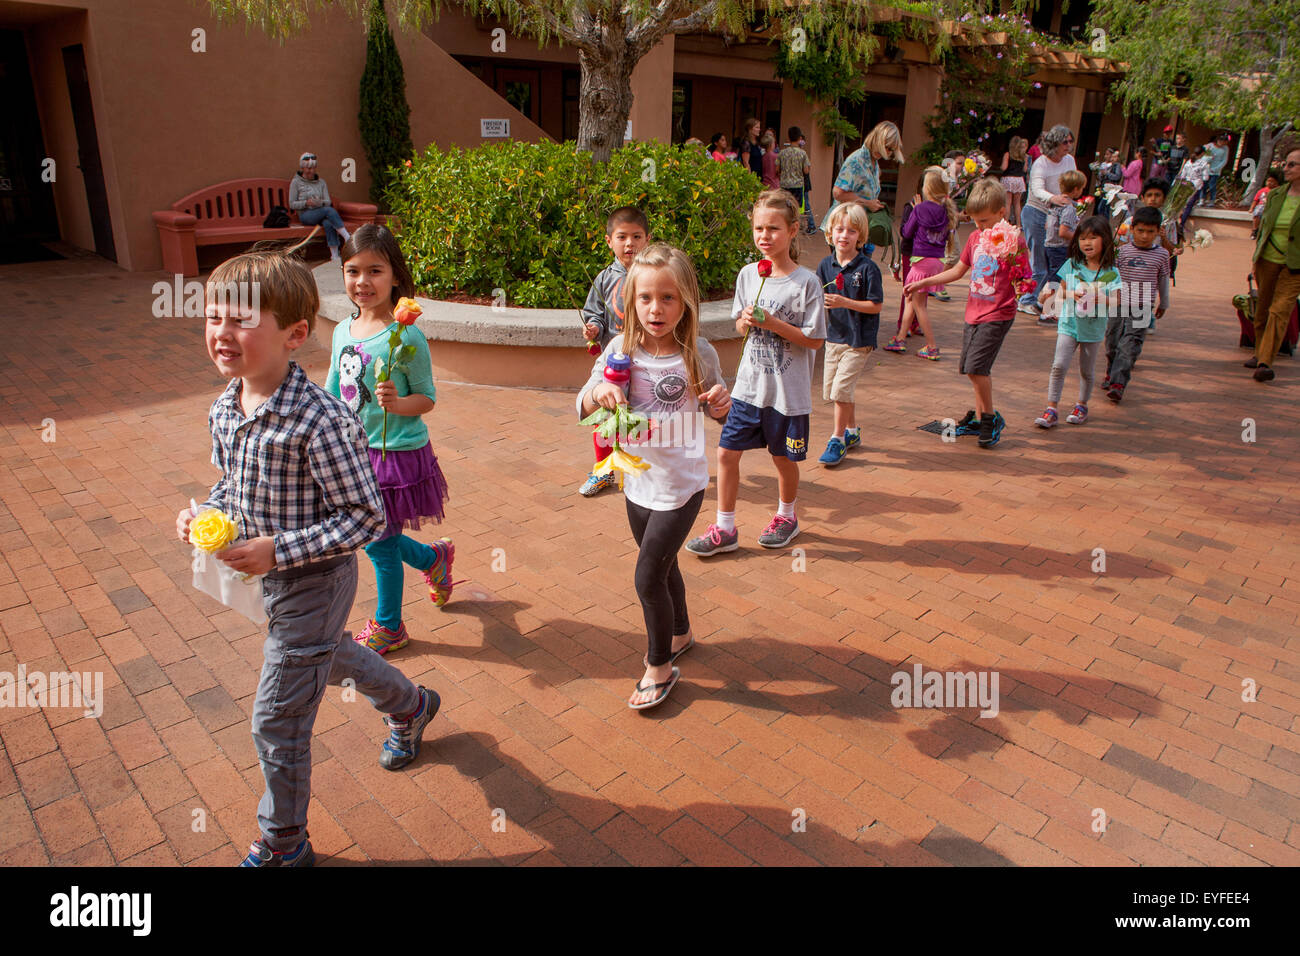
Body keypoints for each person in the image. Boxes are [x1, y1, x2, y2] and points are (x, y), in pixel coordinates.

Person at [178, 250, 438, 867]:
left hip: (316, 582)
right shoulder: (225, 405)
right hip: (271, 583)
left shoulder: (322, 421)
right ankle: (412, 704)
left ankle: (283, 843)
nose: (221, 332)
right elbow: (232, 485)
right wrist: (204, 515)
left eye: (241, 319)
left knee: (277, 720)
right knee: (334, 654)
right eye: (213, 316)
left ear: (295, 334)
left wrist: (278, 549)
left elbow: (367, 518)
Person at [576, 245, 731, 709]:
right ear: (628, 302)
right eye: (645, 298)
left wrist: (722, 405)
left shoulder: (697, 352)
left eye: (668, 297)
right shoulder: (618, 349)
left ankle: (659, 666)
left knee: (647, 578)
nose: (655, 308)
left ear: (685, 301)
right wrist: (599, 390)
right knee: (666, 567)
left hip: (682, 484)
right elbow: (581, 402)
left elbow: (720, 408)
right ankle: (680, 632)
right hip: (637, 481)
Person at [326, 224, 455, 655]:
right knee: (373, 536)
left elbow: (428, 398)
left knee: (378, 542)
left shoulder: (407, 337)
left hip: (395, 457)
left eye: (375, 271)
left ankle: (389, 626)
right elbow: (331, 392)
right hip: (353, 455)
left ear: (395, 275)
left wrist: (398, 404)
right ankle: (432, 559)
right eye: (353, 271)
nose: (362, 282)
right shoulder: (341, 331)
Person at [686, 189, 827, 556]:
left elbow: (814, 341)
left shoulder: (806, 283)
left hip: (787, 394)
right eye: (758, 228)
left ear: (793, 230)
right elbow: (739, 326)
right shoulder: (748, 274)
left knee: (782, 459)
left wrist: (775, 323)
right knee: (726, 454)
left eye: (774, 228)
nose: (765, 236)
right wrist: (745, 322)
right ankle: (725, 527)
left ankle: (787, 516)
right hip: (748, 389)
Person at [905, 178, 1034, 448]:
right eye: (975, 221)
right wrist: (924, 282)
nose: (979, 227)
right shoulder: (975, 238)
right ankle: (978, 416)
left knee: (977, 368)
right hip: (973, 312)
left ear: (1002, 213)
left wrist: (1024, 287)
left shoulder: (1013, 240)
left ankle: (990, 418)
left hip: (998, 313)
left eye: (985, 221)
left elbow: (1024, 276)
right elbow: (958, 270)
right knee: (971, 368)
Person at [579, 207, 650, 496]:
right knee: (606, 416)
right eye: (622, 237)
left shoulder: (651, 275)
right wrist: (593, 328)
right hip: (613, 363)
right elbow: (593, 312)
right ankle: (604, 470)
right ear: (609, 241)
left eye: (636, 236)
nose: (629, 243)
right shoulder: (604, 279)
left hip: (646, 360)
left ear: (647, 239)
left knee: (643, 414)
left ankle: (644, 467)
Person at [1033, 215, 1120, 429]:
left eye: (1093, 238)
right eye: (1082, 238)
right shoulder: (1072, 264)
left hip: (1093, 328)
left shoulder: (1111, 272)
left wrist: (1104, 298)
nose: (1086, 243)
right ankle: (1051, 408)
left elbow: (1120, 300)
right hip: (1069, 324)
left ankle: (1082, 405)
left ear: (1105, 240)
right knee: (1058, 366)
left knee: (1086, 371)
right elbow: (1061, 291)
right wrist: (1071, 295)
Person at [815, 203, 884, 466]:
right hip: (834, 337)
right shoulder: (825, 265)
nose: (844, 235)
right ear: (830, 232)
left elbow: (875, 305)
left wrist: (846, 302)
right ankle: (852, 432)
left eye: (851, 231)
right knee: (835, 391)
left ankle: (837, 439)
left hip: (859, 340)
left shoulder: (868, 269)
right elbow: (816, 296)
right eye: (839, 229)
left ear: (860, 236)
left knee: (840, 390)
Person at [886, 167, 955, 359]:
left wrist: (916, 210)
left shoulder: (920, 208)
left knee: (919, 305)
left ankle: (932, 346)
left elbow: (906, 232)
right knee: (911, 299)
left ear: (928, 189)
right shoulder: (946, 209)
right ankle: (900, 338)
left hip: (920, 261)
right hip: (937, 261)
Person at [1103, 205, 1170, 402]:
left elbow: (1164, 280)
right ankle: (1110, 371)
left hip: (1143, 306)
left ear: (1158, 232)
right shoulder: (1121, 252)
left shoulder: (1162, 255)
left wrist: (1164, 303)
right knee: (1112, 341)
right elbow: (1111, 277)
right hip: (1118, 303)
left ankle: (1118, 383)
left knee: (1130, 343)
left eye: (1150, 232)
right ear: (1132, 229)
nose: (1145, 236)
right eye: (1140, 230)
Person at [1246, 147, 1300, 382]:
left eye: (1292, 165)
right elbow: (1263, 229)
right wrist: (1256, 257)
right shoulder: (1276, 195)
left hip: (1295, 266)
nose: (1285, 169)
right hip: (1268, 259)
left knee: (1280, 311)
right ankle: (1259, 351)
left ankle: (1266, 362)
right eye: (1285, 164)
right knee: (1263, 309)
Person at [1019, 125, 1077, 316]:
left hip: (1056, 214)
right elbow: (1036, 188)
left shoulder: (1069, 160)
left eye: (1071, 141)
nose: (1068, 145)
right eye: (1065, 142)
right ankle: (1027, 299)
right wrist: (1054, 198)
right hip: (1037, 212)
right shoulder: (1041, 163)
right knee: (1039, 261)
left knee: (1053, 257)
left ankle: (1038, 299)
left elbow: (1072, 182)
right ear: (1054, 143)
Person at [822, 121, 905, 237]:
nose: (888, 152)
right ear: (878, 140)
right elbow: (838, 193)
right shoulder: (856, 161)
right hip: (844, 227)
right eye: (887, 147)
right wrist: (867, 203)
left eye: (891, 150)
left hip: (860, 227)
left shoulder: (874, 163)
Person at [1042, 169, 1090, 324]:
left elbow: (1047, 225)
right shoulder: (1068, 208)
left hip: (1049, 245)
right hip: (1060, 247)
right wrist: (1079, 236)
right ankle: (1046, 311)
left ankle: (1045, 304)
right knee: (1056, 280)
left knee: (1053, 277)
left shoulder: (1054, 203)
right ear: (1075, 189)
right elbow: (1063, 231)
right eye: (1081, 188)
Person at [290, 152, 350, 261]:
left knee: (328, 222)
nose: (311, 171)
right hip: (306, 215)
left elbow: (327, 201)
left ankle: (334, 255)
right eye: (308, 168)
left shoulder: (321, 183)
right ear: (302, 168)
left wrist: (320, 202)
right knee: (329, 211)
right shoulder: (296, 182)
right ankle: (347, 237)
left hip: (321, 211)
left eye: (313, 168)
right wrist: (306, 203)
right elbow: (292, 204)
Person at [779, 127, 815, 234]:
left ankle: (785, 225)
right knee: (799, 207)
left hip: (785, 184)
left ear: (788, 137)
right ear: (800, 138)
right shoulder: (802, 154)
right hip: (798, 184)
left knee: (785, 205)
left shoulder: (782, 153)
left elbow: (777, 169)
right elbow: (806, 170)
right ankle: (797, 226)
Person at [1177, 146, 1213, 232]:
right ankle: (1181, 225)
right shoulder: (1203, 164)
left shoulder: (1188, 162)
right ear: (1202, 154)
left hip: (1186, 185)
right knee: (1189, 206)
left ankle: (1179, 223)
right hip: (1196, 186)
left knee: (1183, 205)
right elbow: (1206, 178)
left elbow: (1183, 175)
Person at [1001, 136, 1028, 224]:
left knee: (1008, 203)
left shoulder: (1008, 154)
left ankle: (1005, 223)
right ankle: (1019, 224)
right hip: (1019, 179)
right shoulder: (1024, 156)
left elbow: (1004, 167)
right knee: (1017, 204)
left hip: (1009, 178)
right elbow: (1025, 169)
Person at [1250, 170, 1281, 239]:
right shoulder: (1262, 190)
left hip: (1273, 206)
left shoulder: (1279, 190)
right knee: (1257, 212)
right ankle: (1255, 230)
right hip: (1262, 206)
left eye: (1271, 181)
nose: (1269, 183)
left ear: (1276, 182)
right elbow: (1255, 200)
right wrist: (1251, 208)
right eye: (1268, 181)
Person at [1204, 133, 1231, 204]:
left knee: (1212, 185)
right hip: (1207, 169)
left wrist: (1216, 169)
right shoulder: (1209, 146)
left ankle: (1212, 200)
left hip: (1215, 171)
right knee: (1204, 185)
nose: (1222, 143)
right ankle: (1202, 199)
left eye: (1224, 141)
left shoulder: (1225, 148)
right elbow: (1204, 157)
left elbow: (1224, 160)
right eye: (1221, 140)